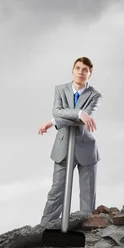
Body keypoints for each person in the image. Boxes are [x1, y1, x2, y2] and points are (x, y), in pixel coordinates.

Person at [37, 56, 102, 224]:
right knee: (56, 191)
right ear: (73, 70)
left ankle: (86, 231)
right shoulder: (60, 90)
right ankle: (44, 229)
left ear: (90, 74)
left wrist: (53, 122)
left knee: (87, 194)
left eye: (85, 70)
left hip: (86, 149)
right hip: (63, 147)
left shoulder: (95, 95)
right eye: (78, 68)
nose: (81, 72)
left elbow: (81, 120)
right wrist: (80, 113)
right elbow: (57, 111)